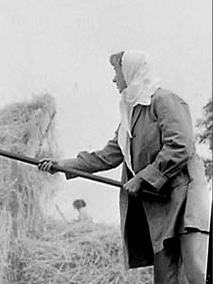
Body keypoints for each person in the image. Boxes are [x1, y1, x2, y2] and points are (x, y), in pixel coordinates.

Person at [38, 50, 211, 284]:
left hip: (184, 204)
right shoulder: (131, 115)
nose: (114, 79)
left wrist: (142, 178)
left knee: (196, 275)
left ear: (129, 71)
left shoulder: (163, 101)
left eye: (116, 72)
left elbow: (180, 145)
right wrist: (61, 166)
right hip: (161, 210)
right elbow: (106, 156)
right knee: (165, 279)